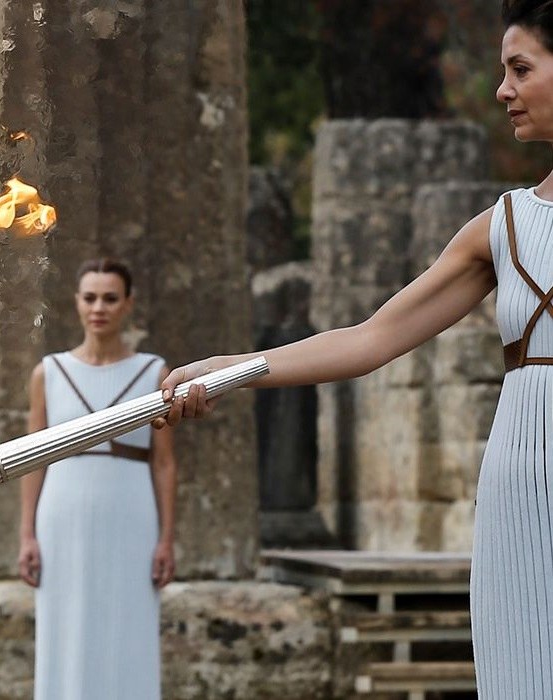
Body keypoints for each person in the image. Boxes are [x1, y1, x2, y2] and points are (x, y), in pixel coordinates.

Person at [156, 2, 553, 696]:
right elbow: (369, 340)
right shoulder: (504, 226)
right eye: (500, 72)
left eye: (520, 69)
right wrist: (237, 370)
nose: (502, 91)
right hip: (519, 488)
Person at [18, 258, 178, 700]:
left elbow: (163, 463)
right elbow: (34, 459)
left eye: (110, 298)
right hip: (62, 514)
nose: (99, 307)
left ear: (128, 304)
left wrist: (166, 538)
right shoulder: (49, 372)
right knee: (64, 625)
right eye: (90, 298)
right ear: (77, 303)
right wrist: (27, 534)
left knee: (129, 622)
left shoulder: (154, 372)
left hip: (131, 513)